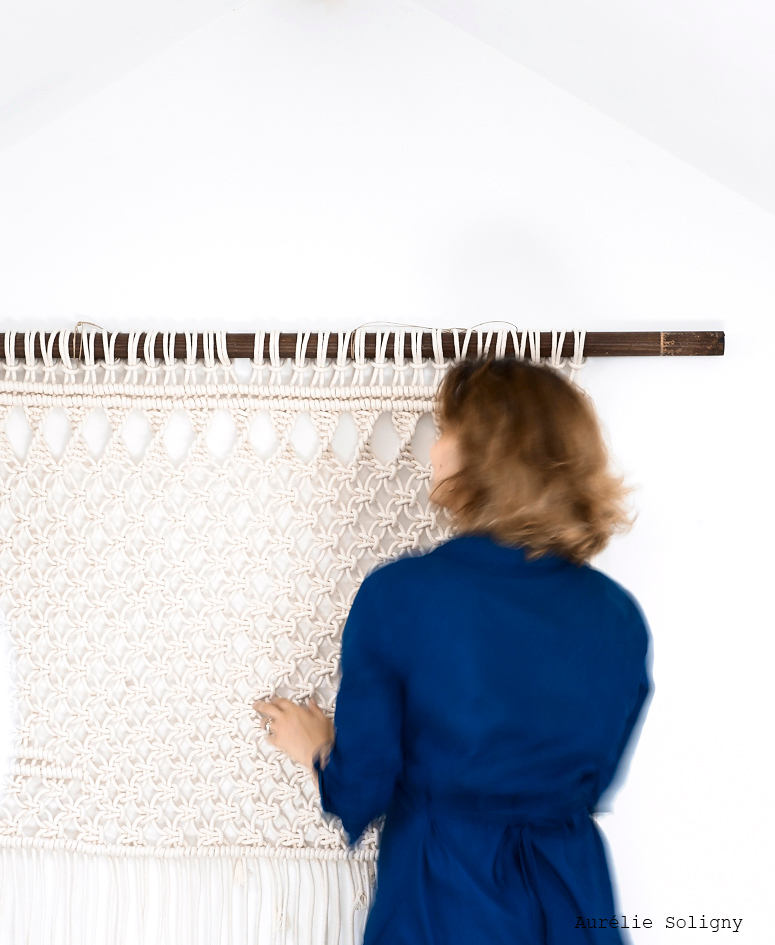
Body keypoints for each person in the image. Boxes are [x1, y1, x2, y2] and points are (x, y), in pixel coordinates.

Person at [253, 354, 654, 944]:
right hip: (575, 896)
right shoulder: (619, 616)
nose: (433, 450)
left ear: (485, 455)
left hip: (443, 898)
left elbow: (362, 787)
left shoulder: (400, 596)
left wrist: (316, 748)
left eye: (444, 431)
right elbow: (593, 780)